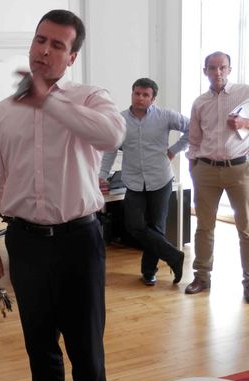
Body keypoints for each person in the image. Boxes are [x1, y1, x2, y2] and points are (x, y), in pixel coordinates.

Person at [0, 10, 125, 381]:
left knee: (87, 351)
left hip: (80, 240)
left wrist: (48, 101)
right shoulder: (4, 112)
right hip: (25, 243)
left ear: (72, 57)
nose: (44, 50)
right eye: (40, 40)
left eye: (57, 45)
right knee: (40, 350)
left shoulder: (91, 97)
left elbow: (111, 135)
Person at [99, 78, 188, 286]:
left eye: (145, 95)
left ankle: (149, 271)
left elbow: (193, 128)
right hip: (134, 181)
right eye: (137, 93)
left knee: (157, 228)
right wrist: (102, 175)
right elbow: (111, 148)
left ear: (153, 98)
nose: (140, 98)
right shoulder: (120, 120)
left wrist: (174, 150)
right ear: (132, 94)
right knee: (134, 225)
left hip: (161, 179)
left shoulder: (166, 116)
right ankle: (174, 256)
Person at [185, 51, 249, 300]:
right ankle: (202, 276)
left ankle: (248, 281)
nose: (218, 73)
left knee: (245, 229)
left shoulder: (244, 92)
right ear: (205, 71)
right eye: (212, 68)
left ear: (230, 69)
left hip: (239, 170)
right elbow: (194, 138)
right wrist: (194, 167)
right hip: (206, 171)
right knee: (204, 227)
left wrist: (244, 122)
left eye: (222, 67)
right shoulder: (200, 102)